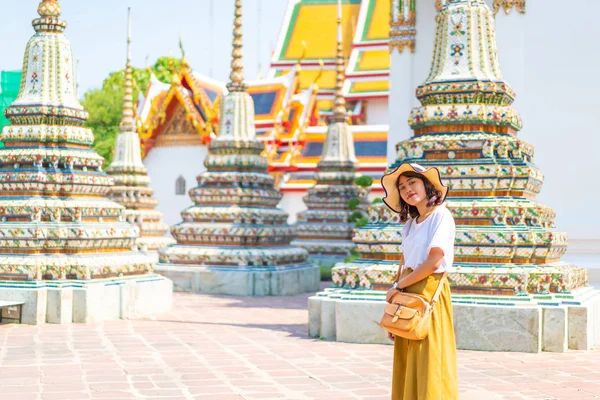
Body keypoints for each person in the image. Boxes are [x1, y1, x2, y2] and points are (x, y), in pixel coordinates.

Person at [381, 163, 458, 400]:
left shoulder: (441, 215)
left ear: (426, 185)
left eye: (412, 182)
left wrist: (398, 287)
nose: (407, 189)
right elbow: (405, 266)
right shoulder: (410, 225)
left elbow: (435, 261)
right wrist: (397, 306)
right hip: (408, 290)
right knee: (408, 356)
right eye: (402, 187)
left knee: (429, 357)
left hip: (429, 289)